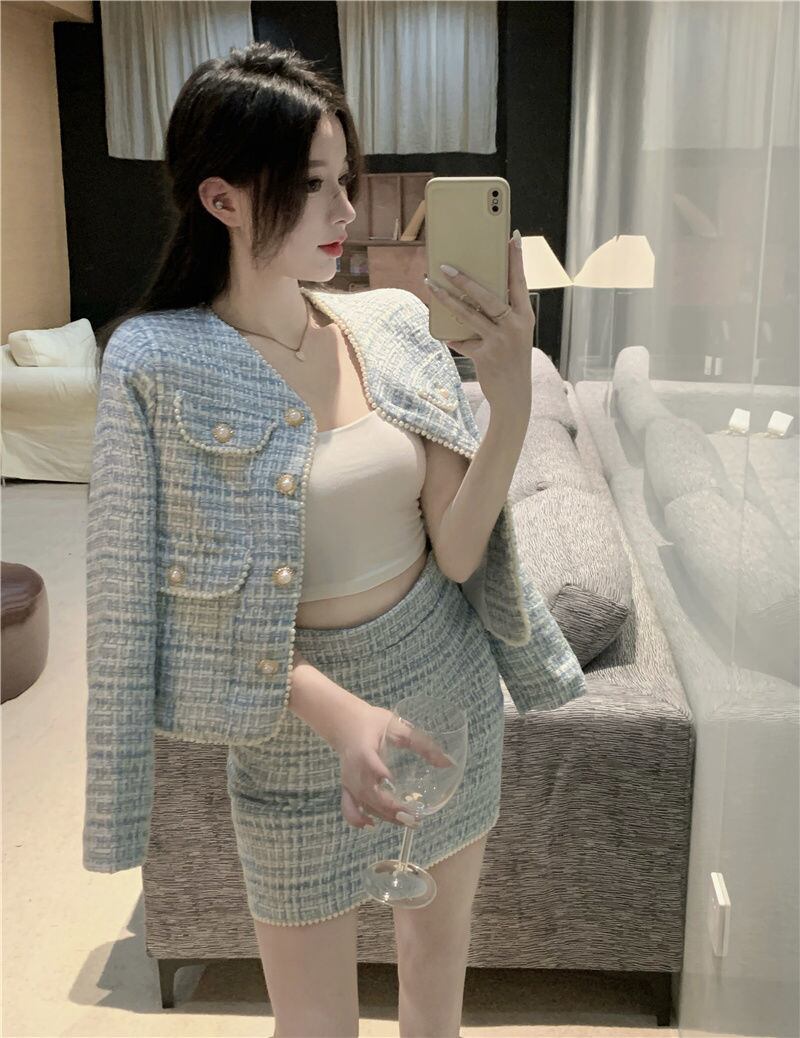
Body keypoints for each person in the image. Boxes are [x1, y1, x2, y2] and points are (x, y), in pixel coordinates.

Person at [88, 41, 542, 1038]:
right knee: (313, 1026)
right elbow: (141, 599)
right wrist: (338, 715)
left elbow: (458, 553)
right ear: (222, 199)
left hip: (445, 698)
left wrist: (507, 402)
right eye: (309, 184)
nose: (345, 209)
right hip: (290, 735)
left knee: (435, 998)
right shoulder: (156, 363)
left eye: (346, 178)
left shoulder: (390, 324)